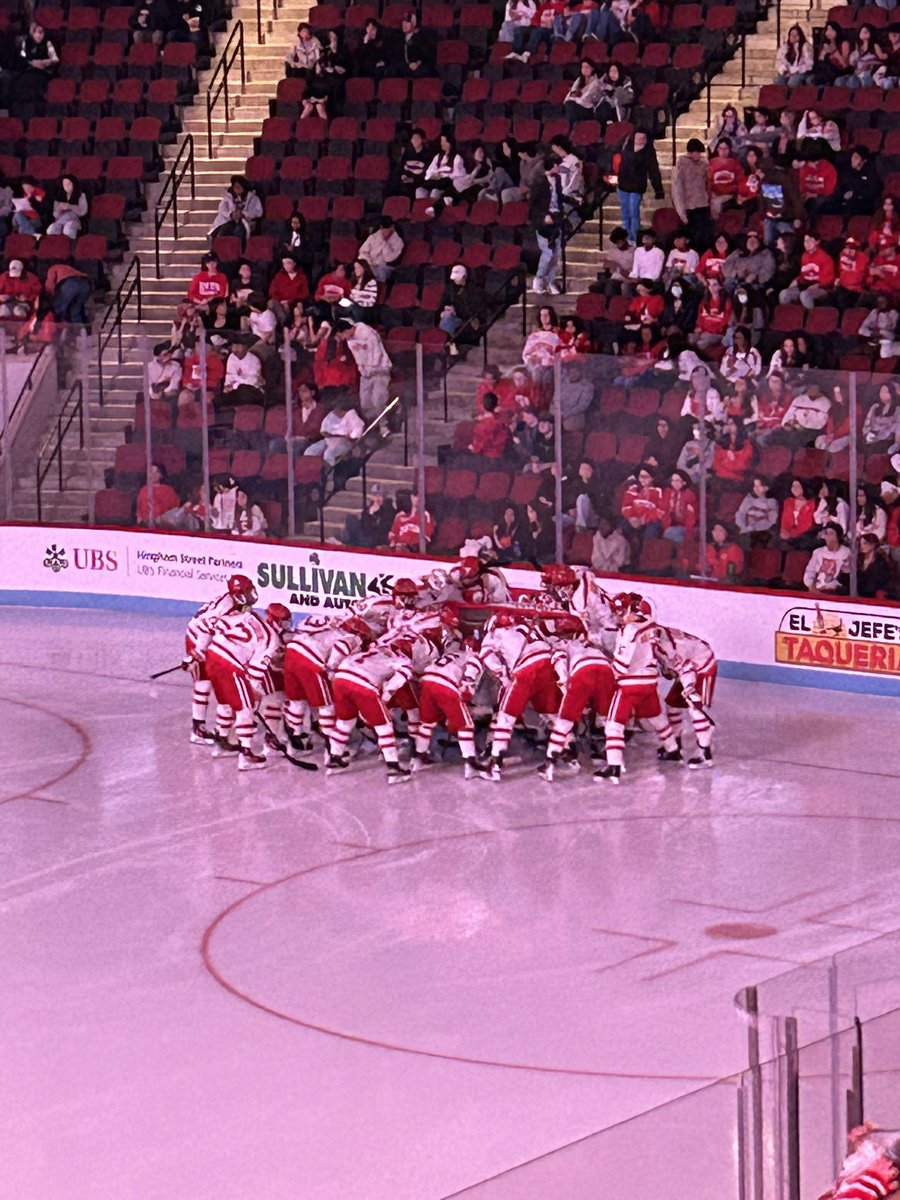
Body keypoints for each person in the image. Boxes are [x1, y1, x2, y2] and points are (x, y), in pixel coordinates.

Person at [594, 592, 682, 784]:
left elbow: (621, 667)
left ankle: (614, 767)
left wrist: (605, 668)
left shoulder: (629, 630)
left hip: (630, 684)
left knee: (613, 726)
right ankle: (673, 749)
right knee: (656, 718)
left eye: (618, 612)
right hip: (649, 681)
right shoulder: (648, 622)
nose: (616, 616)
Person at [199, 602, 292, 771]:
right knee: (246, 709)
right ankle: (246, 756)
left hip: (213, 655)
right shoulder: (272, 640)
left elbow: (219, 624)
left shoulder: (251, 616)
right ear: (278, 622)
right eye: (284, 622)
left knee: (226, 703)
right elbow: (256, 670)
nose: (285, 626)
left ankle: (221, 743)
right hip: (231, 665)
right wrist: (253, 693)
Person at [182, 574, 258, 744]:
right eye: (244, 592)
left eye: (248, 590)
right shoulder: (224, 606)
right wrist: (198, 652)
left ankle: (227, 720)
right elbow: (206, 629)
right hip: (197, 637)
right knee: (203, 683)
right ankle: (198, 729)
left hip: (208, 636)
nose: (247, 595)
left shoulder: (237, 603)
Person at [283, 615, 370, 755]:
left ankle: (294, 734)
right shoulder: (350, 638)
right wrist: (331, 672)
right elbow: (338, 651)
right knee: (326, 704)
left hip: (292, 652)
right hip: (311, 661)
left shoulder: (331, 626)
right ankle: (331, 745)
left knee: (297, 699)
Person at [655, 625, 717, 769]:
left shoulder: (672, 648)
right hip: (687, 665)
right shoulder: (655, 633)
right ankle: (675, 745)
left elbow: (685, 667)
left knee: (695, 708)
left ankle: (705, 753)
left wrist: (689, 688)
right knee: (672, 704)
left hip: (702, 667)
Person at [613, 131, 664, 245]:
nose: (641, 139)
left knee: (633, 212)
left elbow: (653, 170)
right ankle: (626, 237)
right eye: (638, 137)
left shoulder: (648, 151)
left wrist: (658, 189)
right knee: (625, 213)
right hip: (623, 185)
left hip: (637, 186)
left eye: (643, 137)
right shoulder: (625, 145)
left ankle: (634, 239)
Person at [338, 317, 392, 421]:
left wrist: (373, 367)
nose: (344, 337)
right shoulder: (350, 340)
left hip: (380, 370)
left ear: (347, 329)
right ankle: (372, 426)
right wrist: (363, 370)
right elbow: (357, 356)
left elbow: (376, 351)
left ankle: (384, 426)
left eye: (343, 334)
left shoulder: (367, 332)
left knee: (378, 400)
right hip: (365, 373)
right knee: (365, 403)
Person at [529, 155, 563, 296]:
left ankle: (551, 281)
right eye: (557, 165)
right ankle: (538, 279)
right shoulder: (539, 183)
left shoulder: (558, 180)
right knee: (547, 252)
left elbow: (558, 198)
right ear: (553, 165)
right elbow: (533, 205)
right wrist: (544, 216)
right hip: (543, 221)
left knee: (556, 253)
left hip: (557, 218)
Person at [305, 397, 364, 465]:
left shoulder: (353, 416)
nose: (336, 411)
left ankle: (329, 472)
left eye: (338, 409)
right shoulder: (332, 415)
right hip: (328, 441)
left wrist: (343, 436)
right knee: (310, 451)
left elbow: (356, 434)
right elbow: (324, 429)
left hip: (344, 443)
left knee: (328, 454)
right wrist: (326, 434)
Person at [209, 175, 262, 244]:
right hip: (229, 222)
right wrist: (231, 214)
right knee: (223, 232)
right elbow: (222, 210)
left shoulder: (253, 198)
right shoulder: (228, 198)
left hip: (245, 223)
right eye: (235, 187)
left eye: (239, 187)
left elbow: (258, 212)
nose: (237, 189)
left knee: (238, 232)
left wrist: (244, 214)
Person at [341, 484, 395, 548]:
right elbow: (364, 524)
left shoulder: (389, 510)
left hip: (376, 538)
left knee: (366, 540)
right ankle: (347, 543)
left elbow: (381, 528)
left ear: (385, 497)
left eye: (380, 495)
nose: (377, 498)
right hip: (365, 535)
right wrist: (369, 513)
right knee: (351, 519)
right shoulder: (368, 508)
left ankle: (353, 543)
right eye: (375, 495)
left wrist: (374, 513)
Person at [803, 522, 850, 593]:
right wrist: (811, 586)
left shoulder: (846, 552)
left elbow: (846, 576)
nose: (827, 536)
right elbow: (810, 571)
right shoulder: (818, 552)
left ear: (838, 537)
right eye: (826, 533)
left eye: (831, 533)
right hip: (817, 589)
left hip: (836, 591)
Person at [358, 217, 404, 284]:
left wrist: (385, 243)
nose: (385, 232)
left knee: (381, 270)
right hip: (371, 264)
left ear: (392, 228)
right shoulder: (373, 237)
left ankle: (381, 290)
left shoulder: (398, 242)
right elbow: (363, 252)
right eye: (383, 229)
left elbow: (389, 259)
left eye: (387, 229)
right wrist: (368, 261)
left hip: (387, 267)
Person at [43, 263, 92, 327]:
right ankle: (80, 331)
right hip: (85, 283)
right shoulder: (67, 268)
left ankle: (57, 328)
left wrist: (49, 297)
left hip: (70, 283)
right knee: (75, 311)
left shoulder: (52, 268)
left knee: (59, 308)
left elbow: (50, 286)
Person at [735, 476, 778, 544]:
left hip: (761, 531)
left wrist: (754, 528)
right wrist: (743, 526)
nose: (756, 488)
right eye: (755, 486)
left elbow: (771, 521)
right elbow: (740, 513)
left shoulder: (771, 502)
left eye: (759, 486)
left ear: (766, 488)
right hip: (745, 528)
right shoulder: (749, 498)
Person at [47, 175, 88, 240]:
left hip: (74, 219)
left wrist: (70, 206)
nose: (67, 186)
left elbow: (83, 212)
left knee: (68, 230)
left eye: (69, 184)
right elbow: (55, 215)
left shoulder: (81, 195)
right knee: (50, 230)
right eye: (64, 184)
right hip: (60, 220)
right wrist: (59, 208)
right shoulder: (58, 196)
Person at [780, 478, 816, 547]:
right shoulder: (788, 502)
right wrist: (784, 531)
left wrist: (791, 534)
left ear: (803, 487)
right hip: (789, 535)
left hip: (804, 535)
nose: (795, 488)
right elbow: (784, 520)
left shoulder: (811, 503)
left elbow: (807, 525)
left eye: (798, 486)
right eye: (793, 486)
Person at [857, 533, 893, 598]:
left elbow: (885, 581)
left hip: (874, 595)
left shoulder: (881, 562)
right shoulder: (858, 560)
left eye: (865, 543)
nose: (861, 546)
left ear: (873, 545)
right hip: (859, 593)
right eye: (861, 544)